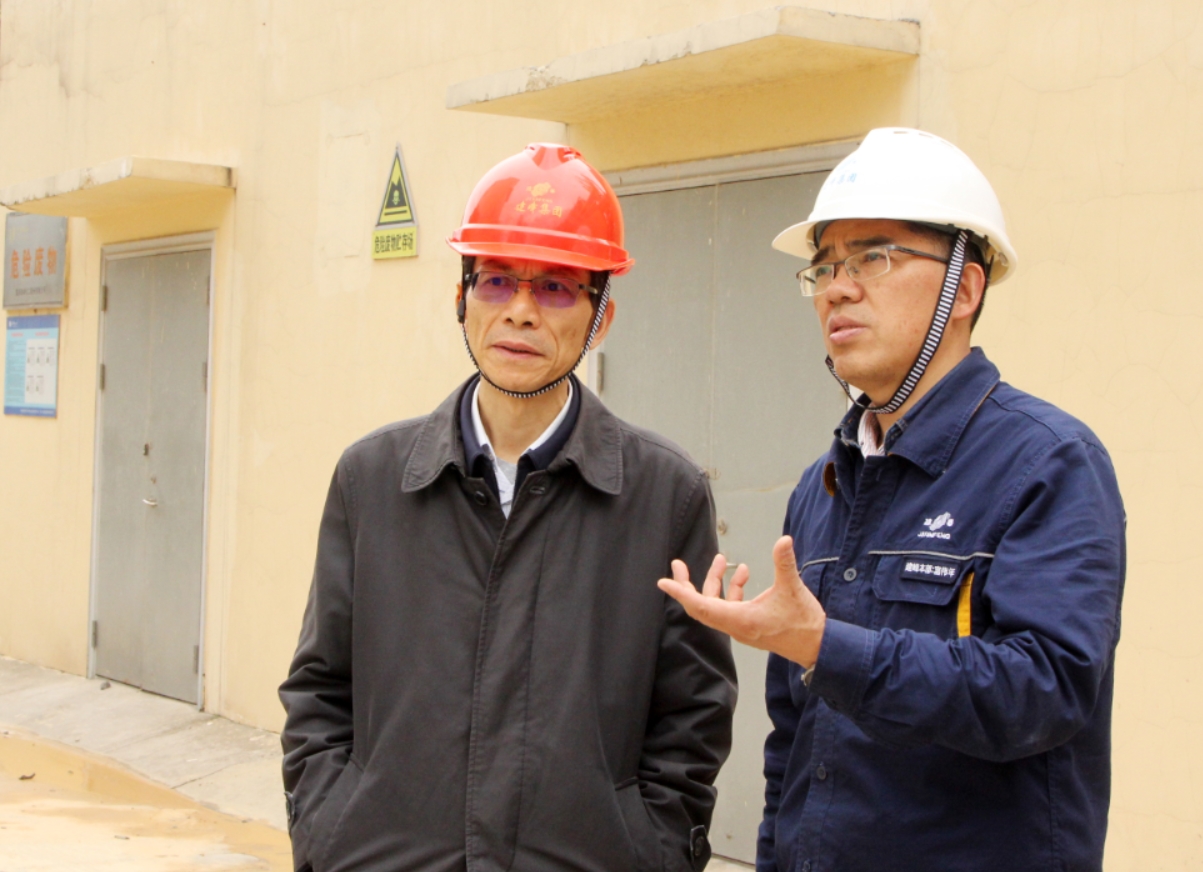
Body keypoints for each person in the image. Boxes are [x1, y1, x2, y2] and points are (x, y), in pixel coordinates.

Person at [658, 128, 1126, 872]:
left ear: (964, 289)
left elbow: (1045, 691)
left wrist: (827, 647)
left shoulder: (1049, 461)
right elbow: (794, 742)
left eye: (873, 257)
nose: (837, 288)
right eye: (824, 267)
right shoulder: (823, 484)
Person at [279, 143, 736, 872]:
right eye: (495, 281)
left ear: (601, 318)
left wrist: (651, 849)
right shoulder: (372, 479)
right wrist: (327, 830)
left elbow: (692, 715)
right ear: (460, 300)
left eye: (555, 288)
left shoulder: (664, 493)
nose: (520, 312)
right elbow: (320, 686)